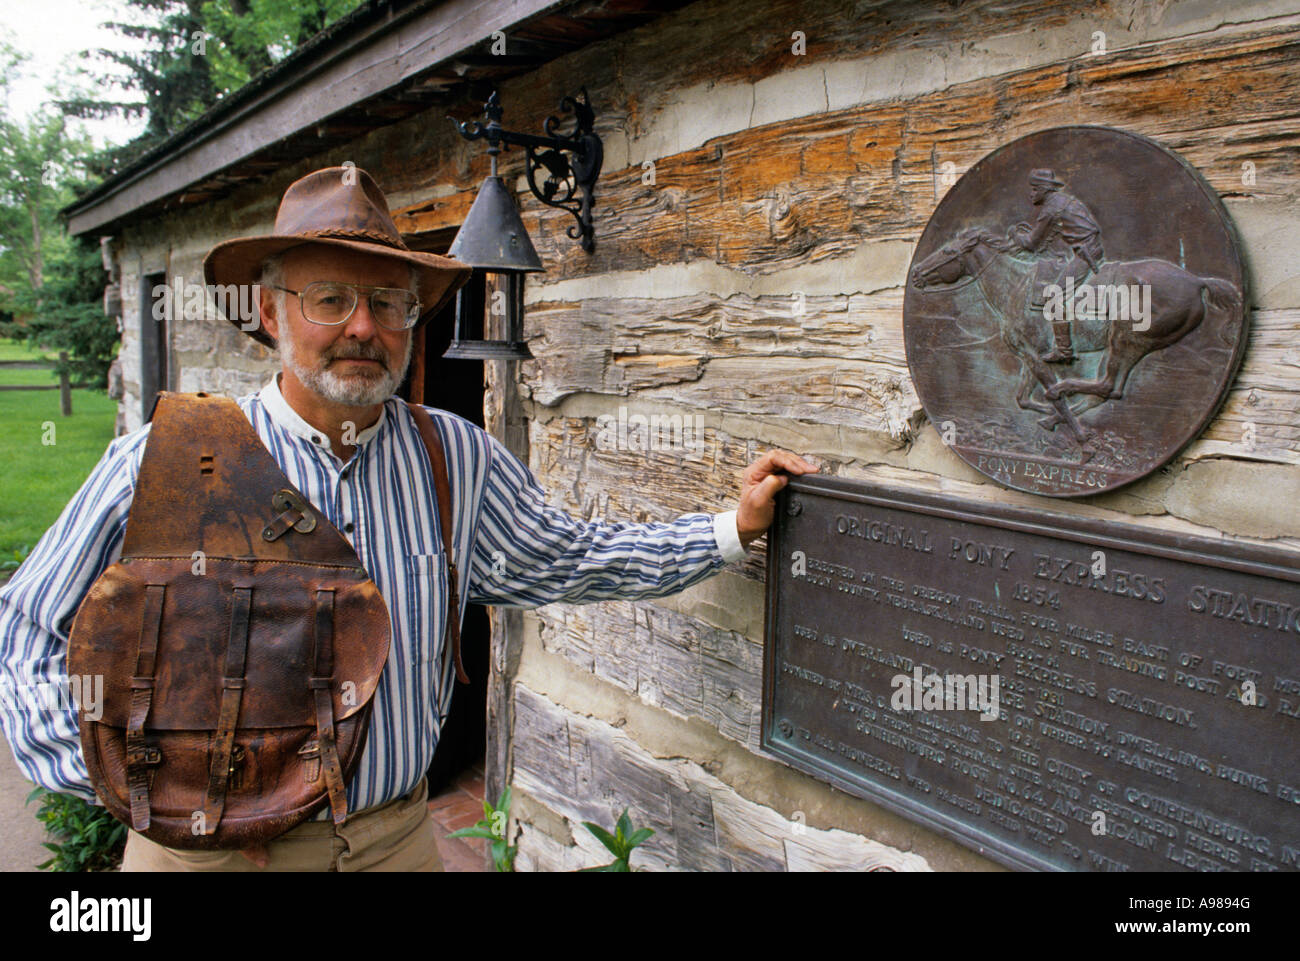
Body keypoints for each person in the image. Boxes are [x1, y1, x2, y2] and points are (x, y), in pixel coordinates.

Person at [0, 166, 817, 871]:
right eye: (331, 298)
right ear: (272, 312)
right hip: (204, 858)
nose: (365, 326)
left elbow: (572, 555)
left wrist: (728, 529)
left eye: (391, 302)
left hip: (393, 845)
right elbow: (26, 638)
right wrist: (140, 771)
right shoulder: (168, 462)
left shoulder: (452, 458)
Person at [1010, 168, 1104, 364]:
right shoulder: (1067, 201)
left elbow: (1031, 243)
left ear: (1045, 190)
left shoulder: (1051, 210)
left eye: (1035, 189)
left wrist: (1014, 235)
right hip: (1089, 249)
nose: (1031, 194)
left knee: (1053, 295)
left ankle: (1064, 350)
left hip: (1086, 256)